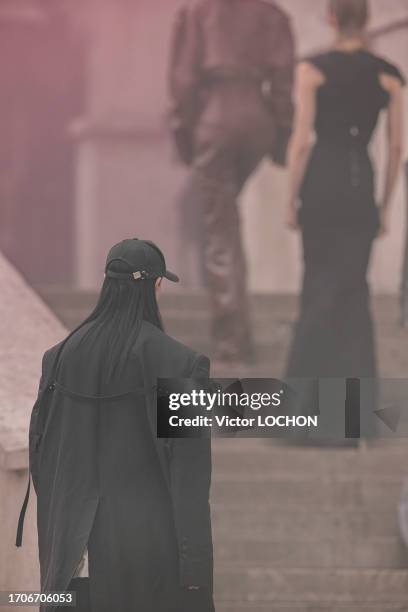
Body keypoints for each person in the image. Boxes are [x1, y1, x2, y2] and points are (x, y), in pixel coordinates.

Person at [16, 239, 214, 612]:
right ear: (156, 286)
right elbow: (190, 486)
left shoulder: (57, 359)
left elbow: (41, 458)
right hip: (147, 566)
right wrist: (197, 582)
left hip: (68, 559)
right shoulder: (182, 365)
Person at [285, 0, 405, 389]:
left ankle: (307, 411)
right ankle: (353, 413)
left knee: (317, 284)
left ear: (330, 18)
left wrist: (291, 198)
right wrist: (384, 207)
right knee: (355, 291)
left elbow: (301, 141)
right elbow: (396, 149)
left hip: (321, 180)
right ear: (367, 20)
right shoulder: (389, 76)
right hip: (359, 182)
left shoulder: (311, 70)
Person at [168, 0, 295, 365]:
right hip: (257, 118)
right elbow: (284, 79)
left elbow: (184, 78)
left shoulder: (198, 12)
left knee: (220, 229)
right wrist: (283, 129)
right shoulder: (272, 14)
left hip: (216, 116)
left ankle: (232, 340)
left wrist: (182, 125)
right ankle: (238, 326)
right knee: (226, 219)